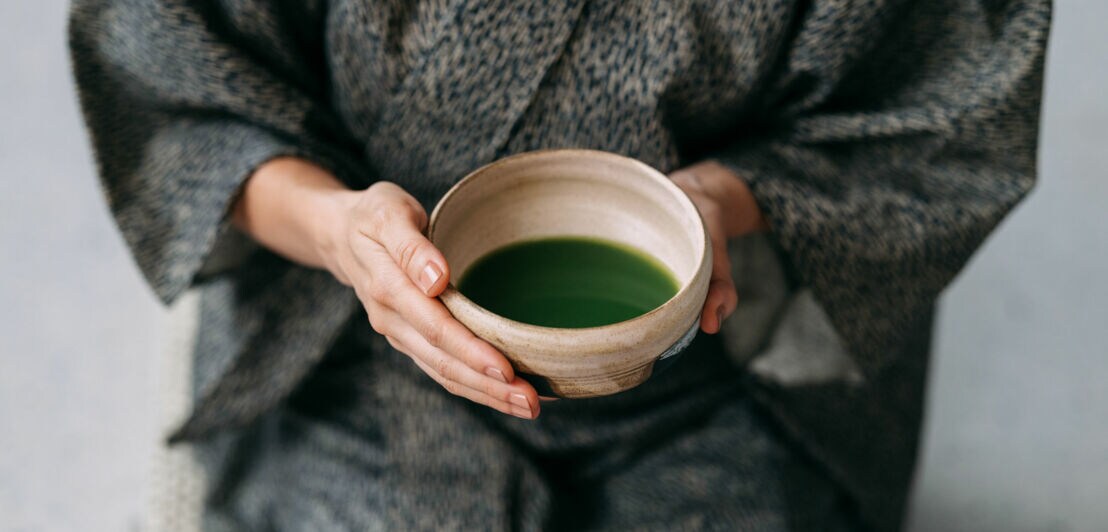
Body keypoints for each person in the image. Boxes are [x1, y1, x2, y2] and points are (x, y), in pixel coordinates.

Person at [69, 1, 1051, 530]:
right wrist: (340, 233)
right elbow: (174, 78)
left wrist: (720, 202)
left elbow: (940, 123)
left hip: (711, 364)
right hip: (362, 343)